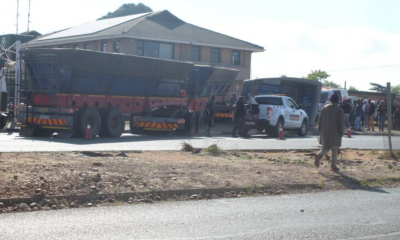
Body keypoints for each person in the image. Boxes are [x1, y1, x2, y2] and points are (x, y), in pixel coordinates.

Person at [315, 94, 344, 172]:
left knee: (325, 148)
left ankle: (318, 155)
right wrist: (341, 132)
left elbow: (319, 121)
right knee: (334, 149)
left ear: (330, 100)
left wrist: (319, 130)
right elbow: (340, 123)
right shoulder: (339, 110)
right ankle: (333, 166)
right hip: (335, 132)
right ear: (337, 101)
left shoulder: (323, 109)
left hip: (324, 131)